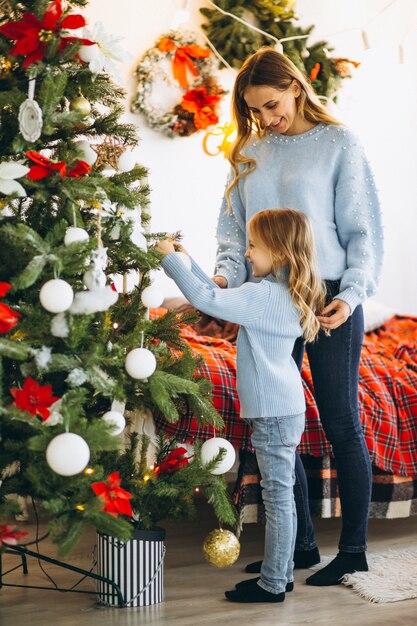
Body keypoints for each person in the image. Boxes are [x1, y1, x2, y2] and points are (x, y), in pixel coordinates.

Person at [213, 47, 383, 587]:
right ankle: (298, 548)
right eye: (255, 110)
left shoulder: (339, 144)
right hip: (269, 299)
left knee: (339, 419)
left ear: (293, 85)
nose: (265, 118)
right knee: (275, 424)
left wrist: (352, 295)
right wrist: (223, 279)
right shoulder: (248, 149)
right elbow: (233, 234)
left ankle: (353, 550)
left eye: (270, 104)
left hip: (329, 295)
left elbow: (362, 232)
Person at [157, 208, 326, 603]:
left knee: (278, 497)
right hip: (285, 408)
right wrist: (187, 260)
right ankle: (279, 575)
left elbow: (206, 299)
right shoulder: (285, 293)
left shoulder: (262, 295)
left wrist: (168, 260)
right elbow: (217, 296)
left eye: (253, 246)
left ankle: (272, 584)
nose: (248, 254)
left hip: (273, 413)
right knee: (280, 496)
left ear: (279, 253)